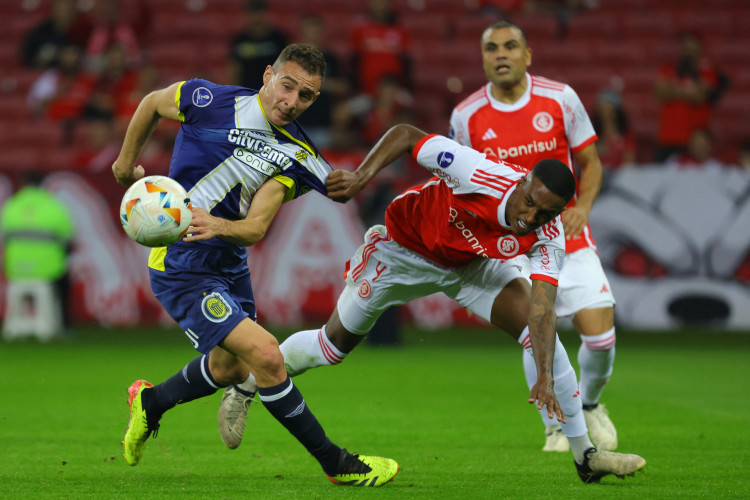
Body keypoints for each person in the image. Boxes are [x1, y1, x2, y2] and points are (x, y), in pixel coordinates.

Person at [217, 123, 647, 483]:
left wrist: (545, 374)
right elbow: (406, 135)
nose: (530, 217)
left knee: (543, 340)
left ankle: (585, 458)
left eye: (544, 214)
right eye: (530, 203)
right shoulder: (477, 172)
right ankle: (250, 381)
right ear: (521, 183)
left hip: (469, 267)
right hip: (403, 251)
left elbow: (542, 308)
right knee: (332, 348)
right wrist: (363, 177)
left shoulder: (548, 235)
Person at [110, 43, 398, 487]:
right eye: (287, 86)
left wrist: (219, 225)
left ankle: (150, 404)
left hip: (230, 264)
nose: (291, 102)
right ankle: (335, 462)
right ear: (268, 75)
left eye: (306, 96)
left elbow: (256, 227)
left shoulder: (298, 155)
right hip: (181, 263)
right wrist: (125, 165)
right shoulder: (208, 100)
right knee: (267, 356)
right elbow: (150, 103)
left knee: (230, 369)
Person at [448, 21, 618, 453]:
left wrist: (581, 208)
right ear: (483, 57)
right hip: (512, 247)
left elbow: (591, 163)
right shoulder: (465, 117)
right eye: (491, 48)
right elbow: (460, 186)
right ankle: (555, 426)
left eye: (510, 46)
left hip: (566, 238)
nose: (500, 54)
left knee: (600, 339)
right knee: (534, 328)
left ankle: (592, 403)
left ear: (528, 54)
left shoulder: (560, 98)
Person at [1, 171, 74, 341]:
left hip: (16, 269)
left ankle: (13, 326)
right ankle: (64, 326)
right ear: (42, 185)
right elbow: (68, 237)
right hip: (47, 270)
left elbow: (4, 237)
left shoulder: (11, 205)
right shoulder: (53, 206)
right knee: (64, 281)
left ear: (23, 185)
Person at [653, 31, 729, 163]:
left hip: (695, 141)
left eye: (693, 46)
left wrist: (673, 90)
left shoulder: (708, 71)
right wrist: (688, 92)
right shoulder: (668, 68)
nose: (690, 50)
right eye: (686, 46)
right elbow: (659, 93)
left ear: (700, 48)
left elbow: (700, 96)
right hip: (668, 137)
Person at [349, 0, 412, 96]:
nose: (380, 6)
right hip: (366, 90)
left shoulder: (400, 29)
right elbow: (354, 59)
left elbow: (406, 61)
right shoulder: (360, 29)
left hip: (394, 91)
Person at [229, 0, 289, 90]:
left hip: (273, 91)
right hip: (248, 92)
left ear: (265, 14)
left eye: (259, 13)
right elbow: (235, 70)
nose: (256, 18)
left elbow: (286, 67)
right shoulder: (239, 40)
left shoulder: (279, 38)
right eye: (253, 14)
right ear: (248, 15)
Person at [590, 88, 636, 169]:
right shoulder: (592, 138)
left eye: (610, 109)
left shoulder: (626, 138)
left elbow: (629, 164)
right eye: (603, 110)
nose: (606, 114)